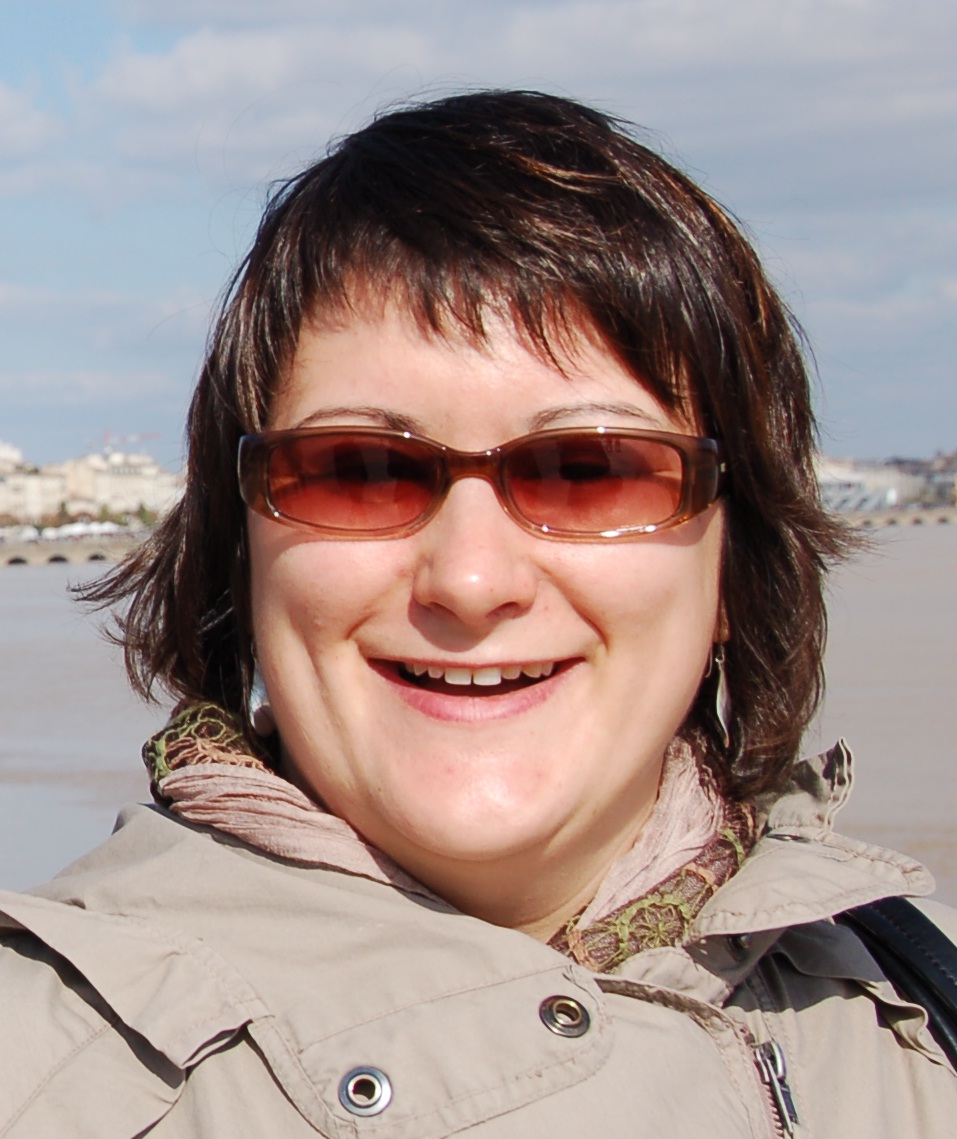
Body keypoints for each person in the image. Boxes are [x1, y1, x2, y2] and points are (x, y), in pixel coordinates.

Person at [0, 90, 954, 1137]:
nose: (468, 577)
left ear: (735, 564)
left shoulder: (921, 1002)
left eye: (587, 470)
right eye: (359, 470)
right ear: (243, 554)